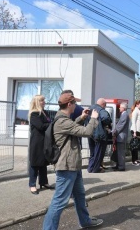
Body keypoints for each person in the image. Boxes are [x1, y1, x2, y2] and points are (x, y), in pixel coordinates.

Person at [43, 92, 103, 230]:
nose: (76, 105)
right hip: (66, 166)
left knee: (79, 195)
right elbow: (86, 132)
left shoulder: (64, 119)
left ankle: (85, 221)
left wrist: (82, 117)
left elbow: (71, 127)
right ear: (69, 104)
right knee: (59, 201)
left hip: (73, 165)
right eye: (74, 103)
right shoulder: (62, 121)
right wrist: (93, 119)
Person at [28, 95, 54, 195]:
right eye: (42, 100)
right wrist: (52, 124)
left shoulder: (44, 112)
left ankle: (44, 182)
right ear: (37, 102)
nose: (44, 102)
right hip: (37, 142)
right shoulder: (34, 113)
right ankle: (32, 185)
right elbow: (41, 126)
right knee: (35, 163)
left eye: (44, 100)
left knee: (43, 163)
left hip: (44, 141)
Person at [87, 98, 112, 173]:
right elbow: (106, 118)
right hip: (99, 134)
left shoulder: (90, 109)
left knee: (92, 153)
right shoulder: (101, 110)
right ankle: (96, 168)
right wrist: (107, 124)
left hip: (90, 133)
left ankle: (90, 168)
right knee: (99, 152)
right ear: (103, 104)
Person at [111, 102, 129, 171]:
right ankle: (118, 165)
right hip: (120, 136)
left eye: (120, 107)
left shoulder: (124, 115)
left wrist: (114, 132)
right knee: (118, 152)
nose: (119, 108)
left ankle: (121, 166)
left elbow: (120, 125)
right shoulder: (123, 114)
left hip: (121, 136)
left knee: (120, 152)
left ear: (123, 108)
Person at [130, 100, 140, 166]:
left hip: (139, 131)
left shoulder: (138, 111)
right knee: (134, 146)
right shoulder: (135, 111)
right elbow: (133, 122)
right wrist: (135, 132)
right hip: (135, 130)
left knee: (137, 146)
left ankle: (136, 159)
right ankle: (133, 160)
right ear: (137, 104)